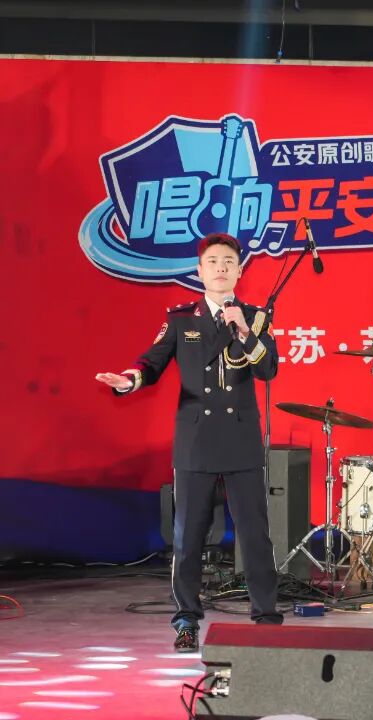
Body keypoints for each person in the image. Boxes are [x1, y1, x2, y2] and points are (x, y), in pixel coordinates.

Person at [95, 233, 282, 652]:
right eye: (212, 261)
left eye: (228, 261)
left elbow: (268, 369)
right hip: (196, 438)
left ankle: (266, 617)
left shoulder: (255, 318)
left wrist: (243, 331)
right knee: (188, 536)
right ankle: (186, 620)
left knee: (255, 534)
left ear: (239, 270)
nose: (220, 268)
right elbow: (152, 361)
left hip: (241, 438)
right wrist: (129, 381)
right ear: (199, 271)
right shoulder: (182, 318)